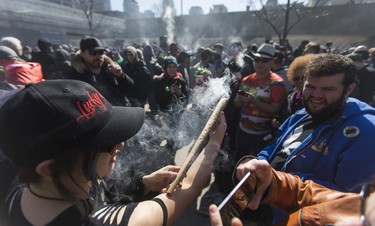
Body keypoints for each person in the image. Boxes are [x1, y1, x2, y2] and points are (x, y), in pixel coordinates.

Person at [0, 79, 227, 226]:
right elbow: (188, 185)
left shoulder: (20, 189)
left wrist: (143, 184)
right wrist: (215, 139)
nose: (121, 145)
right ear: (48, 168)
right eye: (105, 142)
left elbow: (97, 193)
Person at [257, 54, 375, 193]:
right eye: (311, 87)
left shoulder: (367, 133)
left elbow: (347, 199)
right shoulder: (302, 114)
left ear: (349, 89)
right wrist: (259, 162)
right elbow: (277, 146)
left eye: (327, 89)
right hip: (271, 206)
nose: (316, 95)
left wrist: (280, 181)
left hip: (302, 213)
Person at [233, 43, 287, 162]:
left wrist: (254, 101)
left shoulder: (277, 83)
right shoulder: (246, 80)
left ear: (272, 62)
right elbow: (237, 104)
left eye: (265, 60)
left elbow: (275, 109)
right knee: (239, 161)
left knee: (257, 166)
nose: (260, 63)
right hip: (243, 131)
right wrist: (238, 100)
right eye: (257, 59)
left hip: (263, 135)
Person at [67, 36, 134, 107]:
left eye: (101, 52)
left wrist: (121, 76)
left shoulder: (111, 68)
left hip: (119, 112)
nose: (98, 55)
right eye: (93, 52)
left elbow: (131, 90)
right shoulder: (74, 76)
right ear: (82, 53)